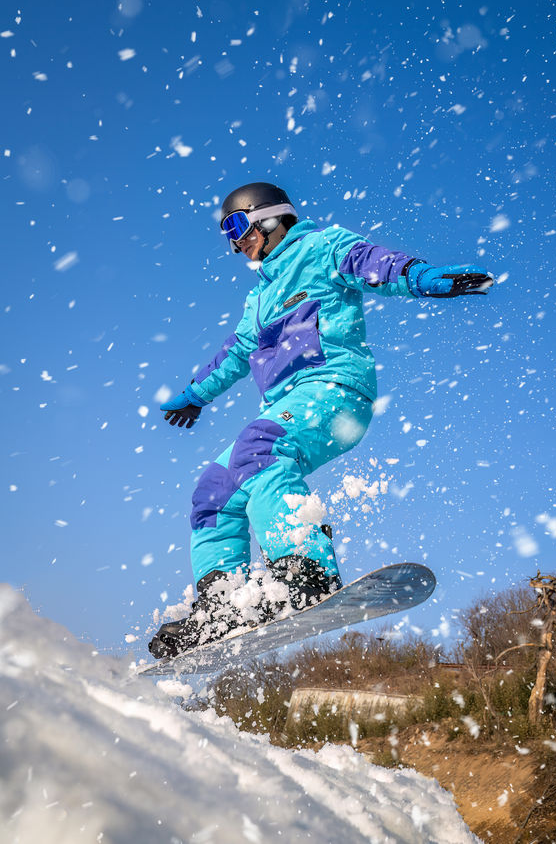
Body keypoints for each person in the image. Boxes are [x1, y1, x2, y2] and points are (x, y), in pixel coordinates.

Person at [148, 181, 493, 658]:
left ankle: (306, 572)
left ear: (269, 216)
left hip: (335, 390)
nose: (234, 242)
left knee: (260, 450)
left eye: (237, 227)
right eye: (227, 235)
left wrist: (421, 276)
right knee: (214, 489)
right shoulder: (261, 295)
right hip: (285, 406)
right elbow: (237, 353)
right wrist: (194, 395)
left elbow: (374, 264)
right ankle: (226, 604)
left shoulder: (321, 246)